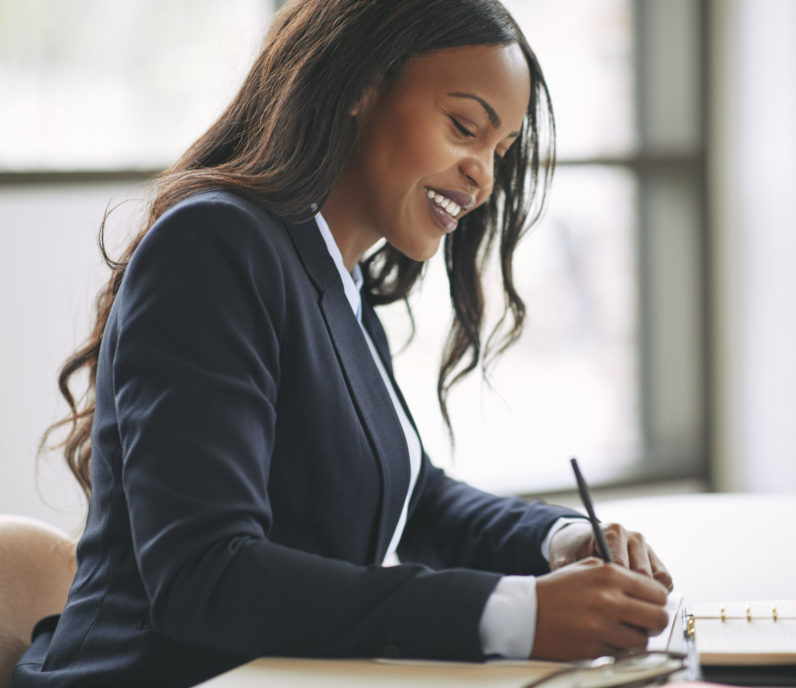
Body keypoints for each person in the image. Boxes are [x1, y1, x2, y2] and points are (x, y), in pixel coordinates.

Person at [14, 1, 673, 686]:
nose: (483, 175)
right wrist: (512, 615)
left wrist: (554, 540)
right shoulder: (214, 247)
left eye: (499, 152)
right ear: (361, 84)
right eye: (464, 127)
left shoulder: (341, 286)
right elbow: (206, 575)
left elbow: (415, 498)